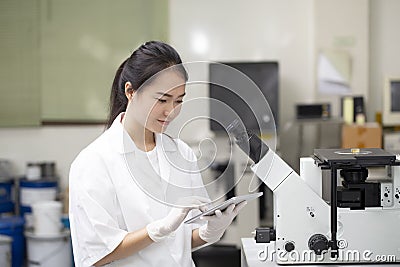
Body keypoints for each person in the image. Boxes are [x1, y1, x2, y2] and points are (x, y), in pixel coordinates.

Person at [69, 41, 247, 267]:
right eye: (162, 100)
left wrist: (211, 231)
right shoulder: (94, 162)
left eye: (179, 100)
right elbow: (95, 255)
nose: (171, 111)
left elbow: (180, 241)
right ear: (130, 91)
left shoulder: (182, 153)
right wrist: (157, 230)